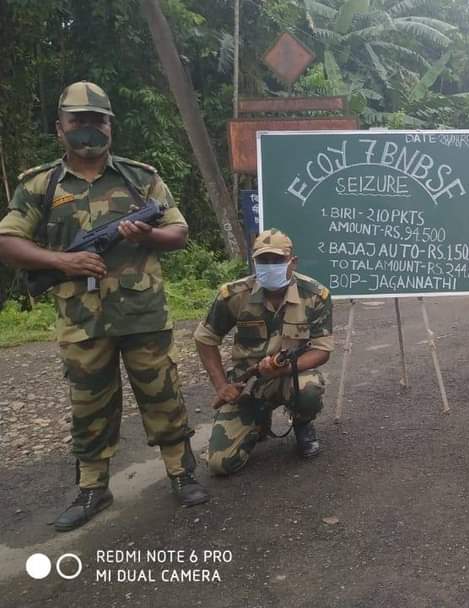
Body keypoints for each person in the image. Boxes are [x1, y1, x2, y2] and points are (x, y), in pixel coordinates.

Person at [0, 82, 207, 531]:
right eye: (79, 121)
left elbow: (179, 232)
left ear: (111, 126)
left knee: (163, 396)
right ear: (61, 128)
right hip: (81, 320)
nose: (89, 128)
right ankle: (94, 487)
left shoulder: (139, 178)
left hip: (143, 314)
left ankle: (181, 472)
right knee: (89, 406)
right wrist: (63, 261)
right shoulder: (42, 184)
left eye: (98, 120)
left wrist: (145, 234)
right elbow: (8, 241)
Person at [194, 229, 334, 475]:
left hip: (289, 378)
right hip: (248, 384)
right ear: (254, 261)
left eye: (277, 260)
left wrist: (284, 367)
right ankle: (257, 423)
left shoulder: (314, 295)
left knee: (309, 388)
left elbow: (322, 350)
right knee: (220, 465)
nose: (270, 266)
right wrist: (220, 385)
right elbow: (204, 338)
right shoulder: (235, 295)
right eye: (263, 260)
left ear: (293, 262)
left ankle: (302, 423)